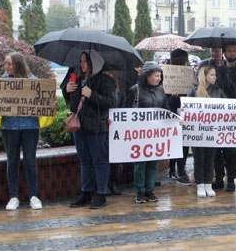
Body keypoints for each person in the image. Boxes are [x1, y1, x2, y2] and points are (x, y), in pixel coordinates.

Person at [64, 50, 117, 209]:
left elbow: (110, 102)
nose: (82, 65)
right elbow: (73, 105)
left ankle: (101, 193)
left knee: (99, 161)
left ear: (94, 63)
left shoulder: (105, 80)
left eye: (85, 61)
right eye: (81, 61)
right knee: (85, 161)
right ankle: (86, 192)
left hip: (97, 127)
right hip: (80, 127)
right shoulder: (79, 79)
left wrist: (92, 94)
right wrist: (67, 92)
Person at [1, 53, 43, 211]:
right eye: (5, 64)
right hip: (9, 127)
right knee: (12, 161)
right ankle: (13, 196)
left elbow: (42, 100)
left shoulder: (33, 81)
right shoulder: (2, 82)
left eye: (9, 64)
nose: (6, 67)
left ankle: (34, 195)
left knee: (30, 161)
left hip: (30, 126)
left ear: (18, 64)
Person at [125, 61, 170, 204]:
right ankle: (140, 191)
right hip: (139, 134)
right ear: (147, 76)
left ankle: (150, 190)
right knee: (140, 163)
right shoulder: (135, 90)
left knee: (153, 162)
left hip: (156, 134)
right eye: (156, 75)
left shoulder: (161, 90)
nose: (158, 78)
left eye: (159, 76)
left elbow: (167, 110)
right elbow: (125, 110)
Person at [212, 43, 236, 192]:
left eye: (234, 51)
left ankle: (231, 178)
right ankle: (219, 178)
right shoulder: (219, 70)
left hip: (235, 115)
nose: (231, 53)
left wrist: (228, 78)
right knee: (216, 149)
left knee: (232, 149)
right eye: (228, 51)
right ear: (224, 53)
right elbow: (215, 88)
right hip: (219, 113)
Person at [192, 66, 225, 197]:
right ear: (204, 76)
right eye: (212, 75)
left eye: (215, 75)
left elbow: (228, 107)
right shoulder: (194, 91)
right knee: (199, 158)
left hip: (212, 132)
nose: (215, 77)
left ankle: (208, 184)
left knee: (210, 159)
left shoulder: (218, 91)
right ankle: (200, 184)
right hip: (197, 132)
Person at [167, 49, 193, 184]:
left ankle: (180, 169)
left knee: (183, 142)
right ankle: (173, 168)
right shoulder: (167, 73)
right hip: (172, 111)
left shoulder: (189, 73)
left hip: (185, 110)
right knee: (174, 142)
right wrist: (172, 97)